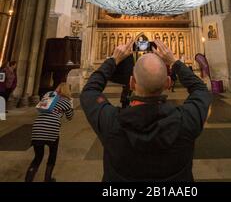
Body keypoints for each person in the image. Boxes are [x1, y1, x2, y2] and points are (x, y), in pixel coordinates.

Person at [80, 39, 212, 182]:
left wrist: (113, 60)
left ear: (131, 83)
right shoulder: (186, 121)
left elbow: (89, 91)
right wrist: (174, 62)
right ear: (168, 83)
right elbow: (201, 89)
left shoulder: (112, 124)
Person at [25, 83, 74, 182]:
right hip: (52, 129)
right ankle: (47, 179)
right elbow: (70, 117)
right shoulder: (66, 101)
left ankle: (28, 180)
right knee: (52, 155)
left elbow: (40, 109)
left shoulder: (48, 97)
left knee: (37, 157)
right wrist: (70, 105)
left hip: (37, 127)